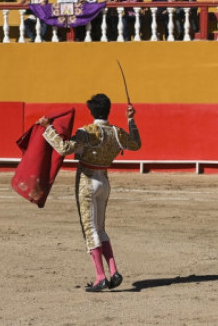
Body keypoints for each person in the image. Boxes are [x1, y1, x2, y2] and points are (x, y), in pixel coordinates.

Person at [38, 94, 141, 292]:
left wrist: (47, 128)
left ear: (92, 111)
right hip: (104, 181)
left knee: (90, 229)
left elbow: (64, 148)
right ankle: (114, 271)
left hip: (87, 181)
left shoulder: (87, 131)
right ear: (108, 110)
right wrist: (131, 119)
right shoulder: (116, 132)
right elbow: (136, 144)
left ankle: (101, 277)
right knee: (100, 228)